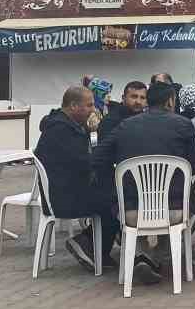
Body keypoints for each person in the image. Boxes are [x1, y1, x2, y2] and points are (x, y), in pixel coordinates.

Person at [91, 80, 195, 277]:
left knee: (137, 211)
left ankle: (143, 255)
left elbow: (98, 156)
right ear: (170, 102)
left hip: (132, 209)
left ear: (147, 101)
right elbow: (194, 165)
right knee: (188, 199)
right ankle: (158, 256)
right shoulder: (183, 124)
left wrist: (121, 165)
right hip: (173, 208)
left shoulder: (125, 126)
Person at [34, 87, 135, 282]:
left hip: (69, 188)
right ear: (73, 106)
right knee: (116, 200)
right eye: (89, 105)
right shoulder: (61, 130)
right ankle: (87, 243)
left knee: (113, 193)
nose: (92, 109)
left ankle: (96, 248)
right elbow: (84, 162)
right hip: (63, 196)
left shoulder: (65, 125)